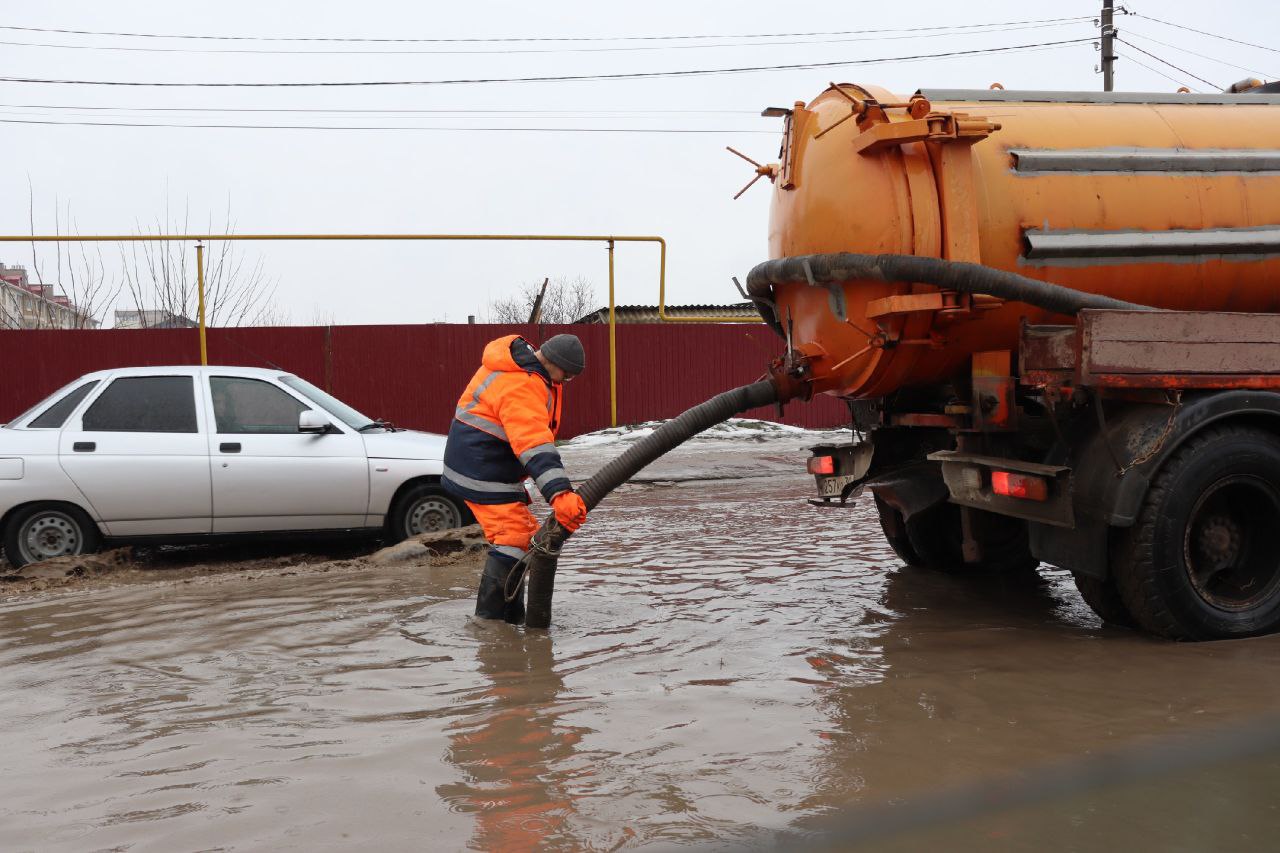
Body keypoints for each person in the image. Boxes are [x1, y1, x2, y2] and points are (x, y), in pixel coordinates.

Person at [443, 333, 589, 623]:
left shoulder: (520, 366)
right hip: (480, 468)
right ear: (556, 363)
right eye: (567, 375)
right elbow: (533, 442)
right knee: (515, 537)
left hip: (486, 463)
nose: (565, 382)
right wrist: (560, 493)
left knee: (524, 536)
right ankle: (490, 627)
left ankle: (513, 619)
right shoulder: (522, 384)